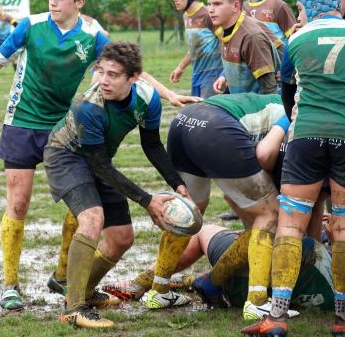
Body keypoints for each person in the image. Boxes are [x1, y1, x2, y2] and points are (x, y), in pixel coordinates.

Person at [0, 0, 197, 313]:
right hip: (22, 122)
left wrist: (167, 94)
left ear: (79, 1)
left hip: (67, 127)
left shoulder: (92, 33)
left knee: (82, 204)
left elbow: (125, 66)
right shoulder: (31, 26)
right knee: (19, 202)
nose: (53, 3)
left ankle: (63, 276)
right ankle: (10, 284)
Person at [43, 41, 188, 328]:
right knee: (92, 218)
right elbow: (98, 165)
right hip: (66, 156)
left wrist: (178, 184)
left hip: (99, 160)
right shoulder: (88, 106)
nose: (104, 80)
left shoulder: (148, 98)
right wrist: (147, 200)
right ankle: (74, 308)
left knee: (122, 238)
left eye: (113, 75)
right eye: (101, 71)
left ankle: (83, 291)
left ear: (133, 78)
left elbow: (152, 145)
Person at [109, 93, 291, 320]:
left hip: (185, 120)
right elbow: (266, 155)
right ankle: (257, 302)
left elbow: (234, 198)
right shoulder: (293, 110)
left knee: (190, 213)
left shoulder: (267, 100)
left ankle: (159, 290)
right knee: (271, 214)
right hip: (216, 130)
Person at [242, 0, 345, 337]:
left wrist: (300, 122)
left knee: (290, 224)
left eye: (301, 8)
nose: (298, 14)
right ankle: (344, 319)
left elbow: (287, 90)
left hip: (306, 137)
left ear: (311, 6)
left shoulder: (296, 40)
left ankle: (276, 317)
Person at [104, 223, 333, 312]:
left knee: (204, 229)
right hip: (238, 295)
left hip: (242, 283)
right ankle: (189, 281)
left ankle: (145, 282)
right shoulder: (337, 294)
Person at [207, 0, 280, 95]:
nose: (210, 10)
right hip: (240, 104)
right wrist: (224, 77)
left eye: (217, 4)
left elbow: (269, 92)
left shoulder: (251, 37)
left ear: (235, 6)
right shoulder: (223, 28)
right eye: (209, 4)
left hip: (257, 109)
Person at [169, 0, 223, 98]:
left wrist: (226, 74)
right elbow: (194, 47)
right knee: (197, 109)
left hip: (212, 74)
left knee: (208, 113)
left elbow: (226, 42)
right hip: (196, 74)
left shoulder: (208, 15)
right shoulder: (186, 17)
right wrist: (180, 68)